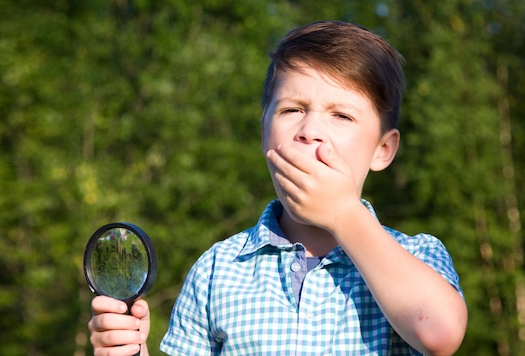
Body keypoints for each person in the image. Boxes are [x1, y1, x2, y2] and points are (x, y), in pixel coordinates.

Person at [88, 20, 468, 355]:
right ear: (264, 131)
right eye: (292, 110)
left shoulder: (417, 255)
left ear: (383, 150)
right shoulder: (218, 269)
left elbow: (439, 333)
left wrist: (343, 214)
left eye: (341, 115)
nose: (310, 131)